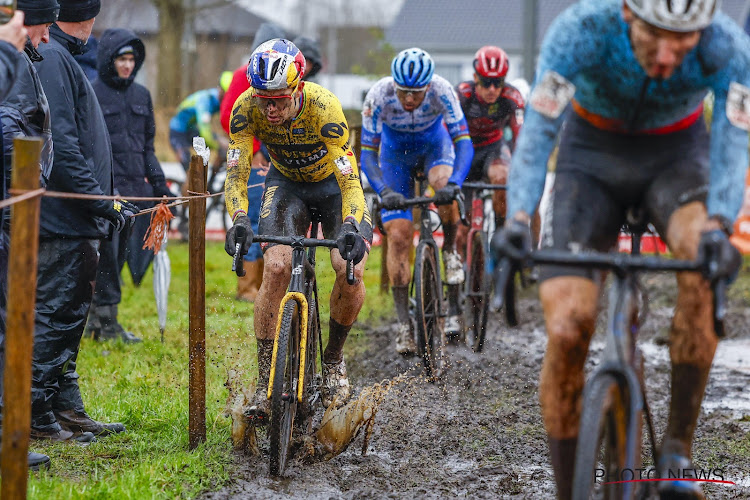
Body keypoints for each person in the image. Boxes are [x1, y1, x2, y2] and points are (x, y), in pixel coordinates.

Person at [491, 1, 750, 499]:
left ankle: (676, 451)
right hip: (589, 159)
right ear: (629, 13)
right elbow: (541, 128)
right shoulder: (583, 29)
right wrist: (519, 218)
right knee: (568, 328)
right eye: (656, 36)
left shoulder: (727, 46)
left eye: (685, 40)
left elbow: (732, 140)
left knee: (702, 265)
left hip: (678, 157)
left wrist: (720, 223)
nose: (668, 56)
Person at [224, 38, 371, 420]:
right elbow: (237, 174)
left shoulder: (324, 108)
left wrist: (352, 223)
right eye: (263, 99)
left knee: (348, 270)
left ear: (298, 87)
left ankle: (333, 360)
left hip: (334, 189)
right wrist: (239, 218)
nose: (270, 108)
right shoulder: (245, 107)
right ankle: (263, 383)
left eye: (279, 99)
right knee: (275, 267)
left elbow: (350, 180)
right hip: (286, 184)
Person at [32, 0, 132, 442]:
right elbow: (62, 147)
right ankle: (34, 411)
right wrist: (98, 202)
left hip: (74, 218)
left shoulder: (60, 53)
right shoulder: (53, 54)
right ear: (87, 14)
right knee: (55, 314)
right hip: (62, 217)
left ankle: (64, 405)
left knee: (70, 316)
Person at [360, 47, 473, 353]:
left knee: (441, 184)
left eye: (416, 93)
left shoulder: (443, 91)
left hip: (434, 148)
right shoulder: (378, 96)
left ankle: (450, 251)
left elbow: (463, 143)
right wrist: (384, 190)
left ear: (428, 86)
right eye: (403, 92)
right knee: (398, 236)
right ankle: (403, 325)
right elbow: (367, 156)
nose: (409, 99)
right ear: (393, 85)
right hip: (395, 157)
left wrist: (455, 183)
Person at [220, 25, 324, 302]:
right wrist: (254, 151)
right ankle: (247, 286)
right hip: (256, 156)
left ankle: (273, 282)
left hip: (277, 154)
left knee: (276, 224)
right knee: (254, 216)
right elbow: (230, 116)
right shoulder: (246, 75)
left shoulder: (296, 82)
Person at [87, 28, 171, 343]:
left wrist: (161, 186)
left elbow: (147, 148)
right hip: (109, 190)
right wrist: (100, 190)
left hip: (138, 191)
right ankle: (103, 324)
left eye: (132, 59)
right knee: (104, 257)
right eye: (122, 58)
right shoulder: (92, 92)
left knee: (122, 257)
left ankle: (100, 321)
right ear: (109, 59)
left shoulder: (142, 96)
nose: (127, 65)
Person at [0, 3, 49, 472]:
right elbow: (8, 124)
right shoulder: (10, 59)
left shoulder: (20, 58)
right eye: (41, 26)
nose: (47, 38)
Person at [456, 45, 524, 228]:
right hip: (465, 151)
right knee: (462, 225)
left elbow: (521, 137)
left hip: (493, 148)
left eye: (498, 82)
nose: (492, 89)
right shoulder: (462, 95)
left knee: (502, 177)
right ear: (475, 78)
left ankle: (501, 233)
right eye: (486, 82)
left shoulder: (512, 97)